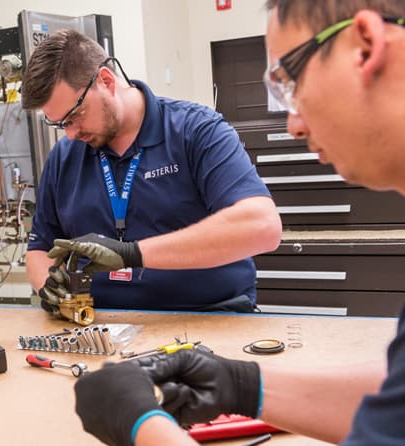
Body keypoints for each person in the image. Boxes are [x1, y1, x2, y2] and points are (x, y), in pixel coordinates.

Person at [74, 1, 405, 444]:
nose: (293, 126)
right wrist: (241, 386)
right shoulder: (68, 158)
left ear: (365, 46)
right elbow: (392, 409)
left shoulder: (196, 128)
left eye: (292, 83)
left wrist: (140, 426)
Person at [20, 29, 281, 314]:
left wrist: (133, 254)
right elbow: (40, 248)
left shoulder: (197, 131)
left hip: (207, 314)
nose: (70, 134)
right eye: (60, 124)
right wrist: (50, 286)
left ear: (106, 81)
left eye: (75, 116)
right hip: (99, 324)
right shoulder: (64, 157)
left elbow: (262, 227)